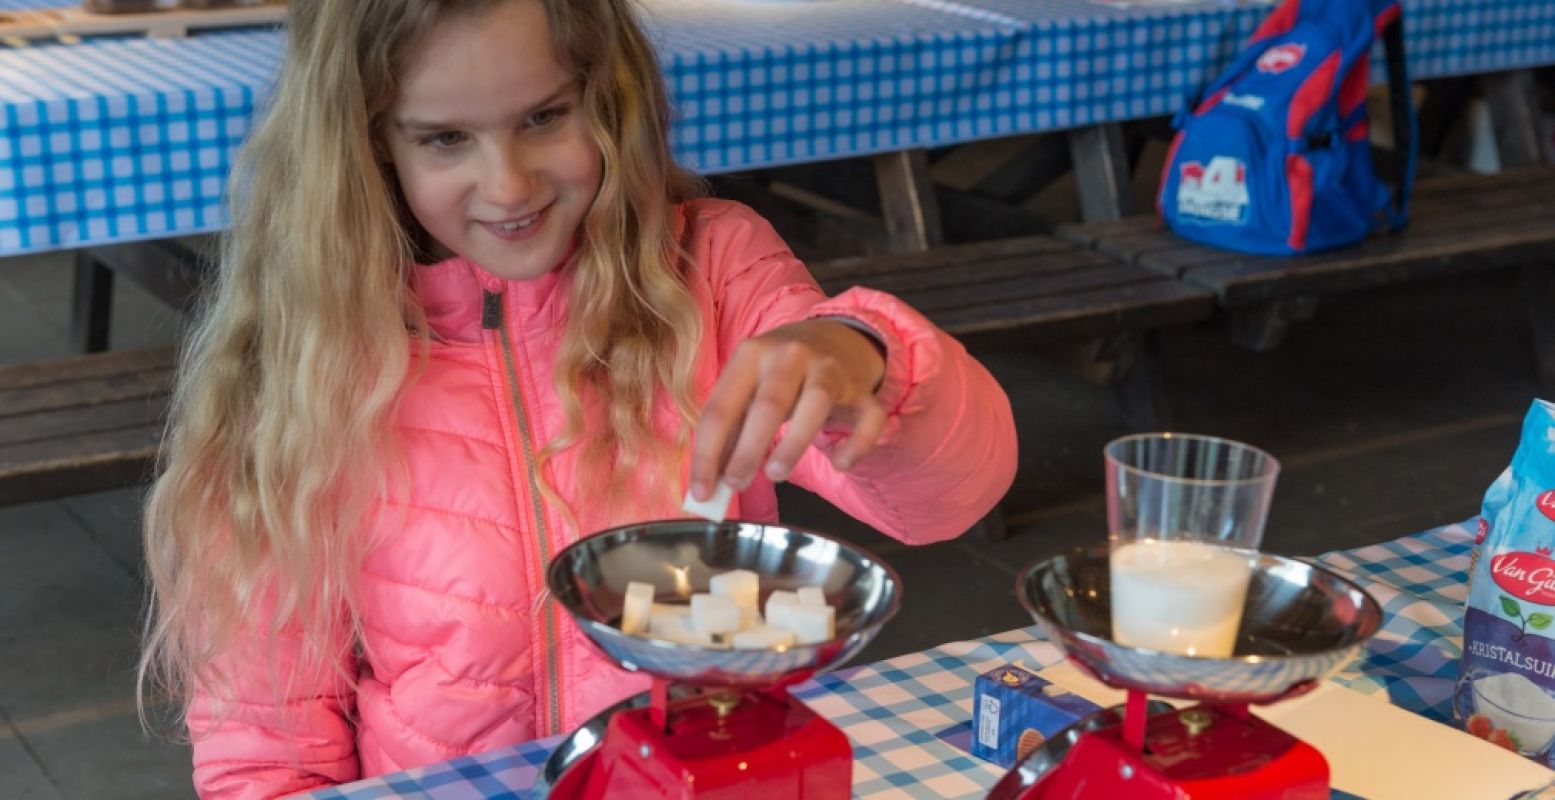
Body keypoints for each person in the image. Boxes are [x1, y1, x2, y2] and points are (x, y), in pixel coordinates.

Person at [138, 0, 1017, 796]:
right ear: (370, 142)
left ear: (608, 100)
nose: (510, 185)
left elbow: (948, 498)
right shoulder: (304, 365)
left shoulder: (709, 274)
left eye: (544, 117)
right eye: (445, 139)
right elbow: (269, 749)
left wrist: (861, 354)